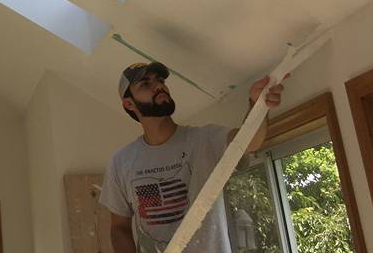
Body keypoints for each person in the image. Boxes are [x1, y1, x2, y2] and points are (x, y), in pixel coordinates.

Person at [99, 61, 286, 253]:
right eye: (145, 84)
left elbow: (249, 142)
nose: (159, 86)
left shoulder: (205, 140)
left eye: (160, 80)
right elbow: (119, 228)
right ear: (129, 104)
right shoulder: (121, 162)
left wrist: (257, 105)